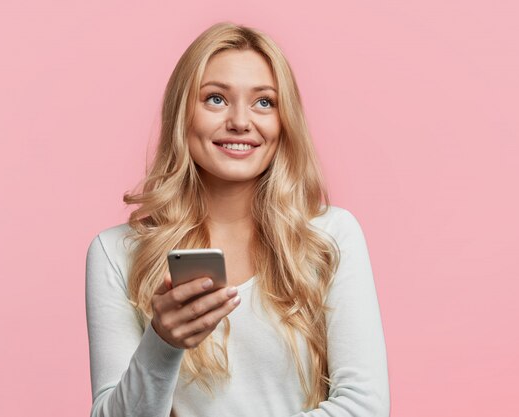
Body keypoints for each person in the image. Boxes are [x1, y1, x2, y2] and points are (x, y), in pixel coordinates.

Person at [85, 22, 390, 417]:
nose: (241, 122)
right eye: (215, 99)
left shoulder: (330, 236)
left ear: (285, 121)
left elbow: (363, 408)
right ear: (182, 114)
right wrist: (162, 344)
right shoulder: (115, 253)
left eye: (264, 102)